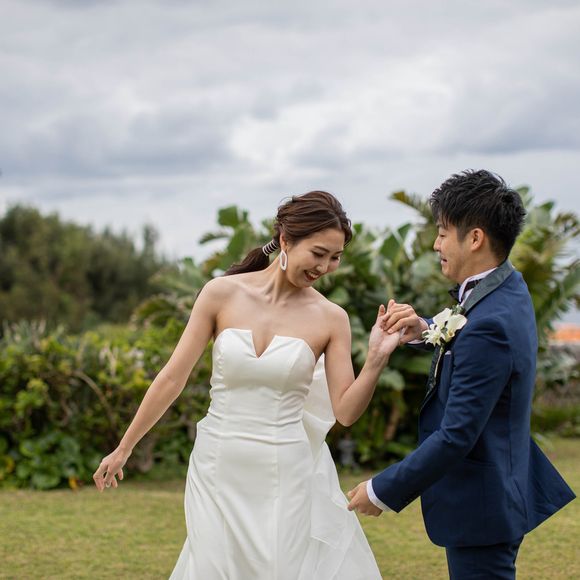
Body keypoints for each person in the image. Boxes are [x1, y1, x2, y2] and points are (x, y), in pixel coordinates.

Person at [93, 191, 399, 579]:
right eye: (318, 253)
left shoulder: (331, 318)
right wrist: (124, 447)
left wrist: (376, 359)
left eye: (335, 257)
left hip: (285, 471)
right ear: (285, 240)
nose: (325, 267)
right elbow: (172, 378)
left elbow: (346, 412)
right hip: (217, 463)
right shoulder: (220, 294)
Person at [347, 170, 576, 579]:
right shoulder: (507, 288)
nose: (436, 245)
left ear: (474, 238)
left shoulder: (490, 323)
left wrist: (381, 490)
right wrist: (424, 328)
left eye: (442, 233)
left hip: (482, 504)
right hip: (497, 489)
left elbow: (456, 435)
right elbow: (470, 333)